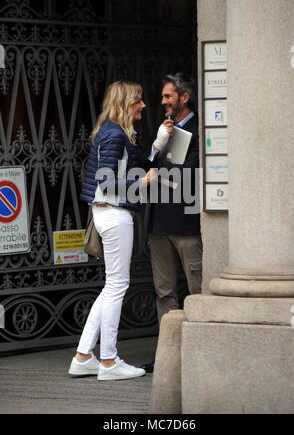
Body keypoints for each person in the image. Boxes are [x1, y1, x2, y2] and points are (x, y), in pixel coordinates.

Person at [68, 80, 154, 381]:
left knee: (111, 286)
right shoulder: (115, 135)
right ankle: (108, 360)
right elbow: (106, 182)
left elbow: (140, 162)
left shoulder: (116, 132)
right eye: (138, 100)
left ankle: (82, 356)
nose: (143, 105)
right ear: (125, 103)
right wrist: (140, 184)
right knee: (118, 286)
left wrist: (158, 146)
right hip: (115, 214)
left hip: (107, 214)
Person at [142, 73, 203, 373]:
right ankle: (168, 355)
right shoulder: (165, 129)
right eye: (164, 96)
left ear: (184, 97)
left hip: (187, 223)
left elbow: (191, 171)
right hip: (160, 224)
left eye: (168, 96)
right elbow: (147, 169)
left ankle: (200, 354)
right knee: (164, 292)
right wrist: (157, 144)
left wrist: (160, 174)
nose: (163, 101)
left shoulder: (199, 127)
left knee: (197, 288)